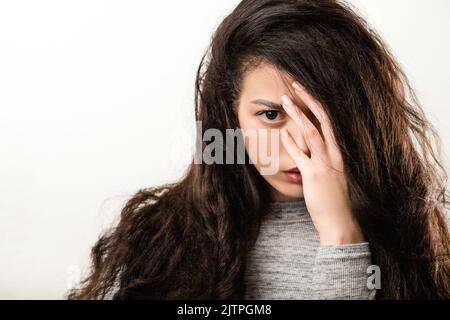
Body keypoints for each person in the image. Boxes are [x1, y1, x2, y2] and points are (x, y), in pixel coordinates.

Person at [67, 0, 450, 299]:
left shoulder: (411, 232)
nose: (301, 143)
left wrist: (341, 236)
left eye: (323, 114)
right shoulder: (159, 236)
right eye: (271, 115)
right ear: (231, 117)